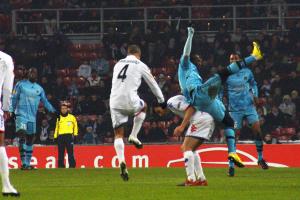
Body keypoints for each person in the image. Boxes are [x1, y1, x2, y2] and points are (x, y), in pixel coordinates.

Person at [177, 27, 263, 176]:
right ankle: (254, 56)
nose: (199, 60)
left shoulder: (194, 72)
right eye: (197, 59)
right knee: (223, 73)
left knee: (229, 122)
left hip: (204, 102)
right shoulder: (185, 65)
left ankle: (232, 153)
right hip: (200, 95)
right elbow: (186, 53)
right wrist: (190, 35)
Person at [109, 44, 166, 181]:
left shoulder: (117, 64)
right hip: (130, 100)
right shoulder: (140, 64)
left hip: (114, 102)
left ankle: (122, 162)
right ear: (138, 54)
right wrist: (161, 100)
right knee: (144, 106)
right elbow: (152, 83)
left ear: (127, 53)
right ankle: (134, 135)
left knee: (118, 134)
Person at [155, 95, 214, 186]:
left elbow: (190, 108)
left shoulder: (171, 103)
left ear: (161, 105)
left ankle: (191, 179)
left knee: (185, 148)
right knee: (191, 149)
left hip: (200, 119)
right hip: (207, 118)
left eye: (159, 111)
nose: (160, 114)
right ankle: (201, 179)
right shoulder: (174, 102)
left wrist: (182, 126)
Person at [225, 53, 269, 174]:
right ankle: (231, 165)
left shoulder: (247, 72)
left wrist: (255, 95)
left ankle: (260, 158)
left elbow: (253, 84)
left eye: (235, 58)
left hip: (249, 107)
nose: (233, 60)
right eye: (231, 59)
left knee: (257, 130)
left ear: (240, 60)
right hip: (234, 110)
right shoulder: (226, 74)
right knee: (233, 136)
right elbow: (219, 90)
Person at [9, 68, 56, 170]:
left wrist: (53, 110)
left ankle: (27, 163)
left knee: (30, 139)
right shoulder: (20, 85)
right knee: (22, 135)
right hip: (21, 114)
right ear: (28, 74)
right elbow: (14, 97)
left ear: (37, 75)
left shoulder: (39, 88)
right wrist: (11, 110)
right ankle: (23, 163)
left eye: (35, 73)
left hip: (32, 117)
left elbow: (45, 101)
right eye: (31, 72)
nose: (33, 74)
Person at [0, 51, 20, 197]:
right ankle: (6, 185)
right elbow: (7, 88)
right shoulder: (6, 59)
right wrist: (6, 108)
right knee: (0, 146)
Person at [54, 103, 78, 168]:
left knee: (70, 152)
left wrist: (75, 135)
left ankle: (72, 165)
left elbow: (75, 127)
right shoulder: (58, 118)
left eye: (65, 108)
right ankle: (61, 166)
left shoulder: (72, 117)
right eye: (62, 109)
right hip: (61, 136)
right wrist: (55, 136)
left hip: (69, 136)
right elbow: (57, 128)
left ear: (67, 109)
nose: (63, 110)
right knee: (60, 152)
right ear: (60, 110)